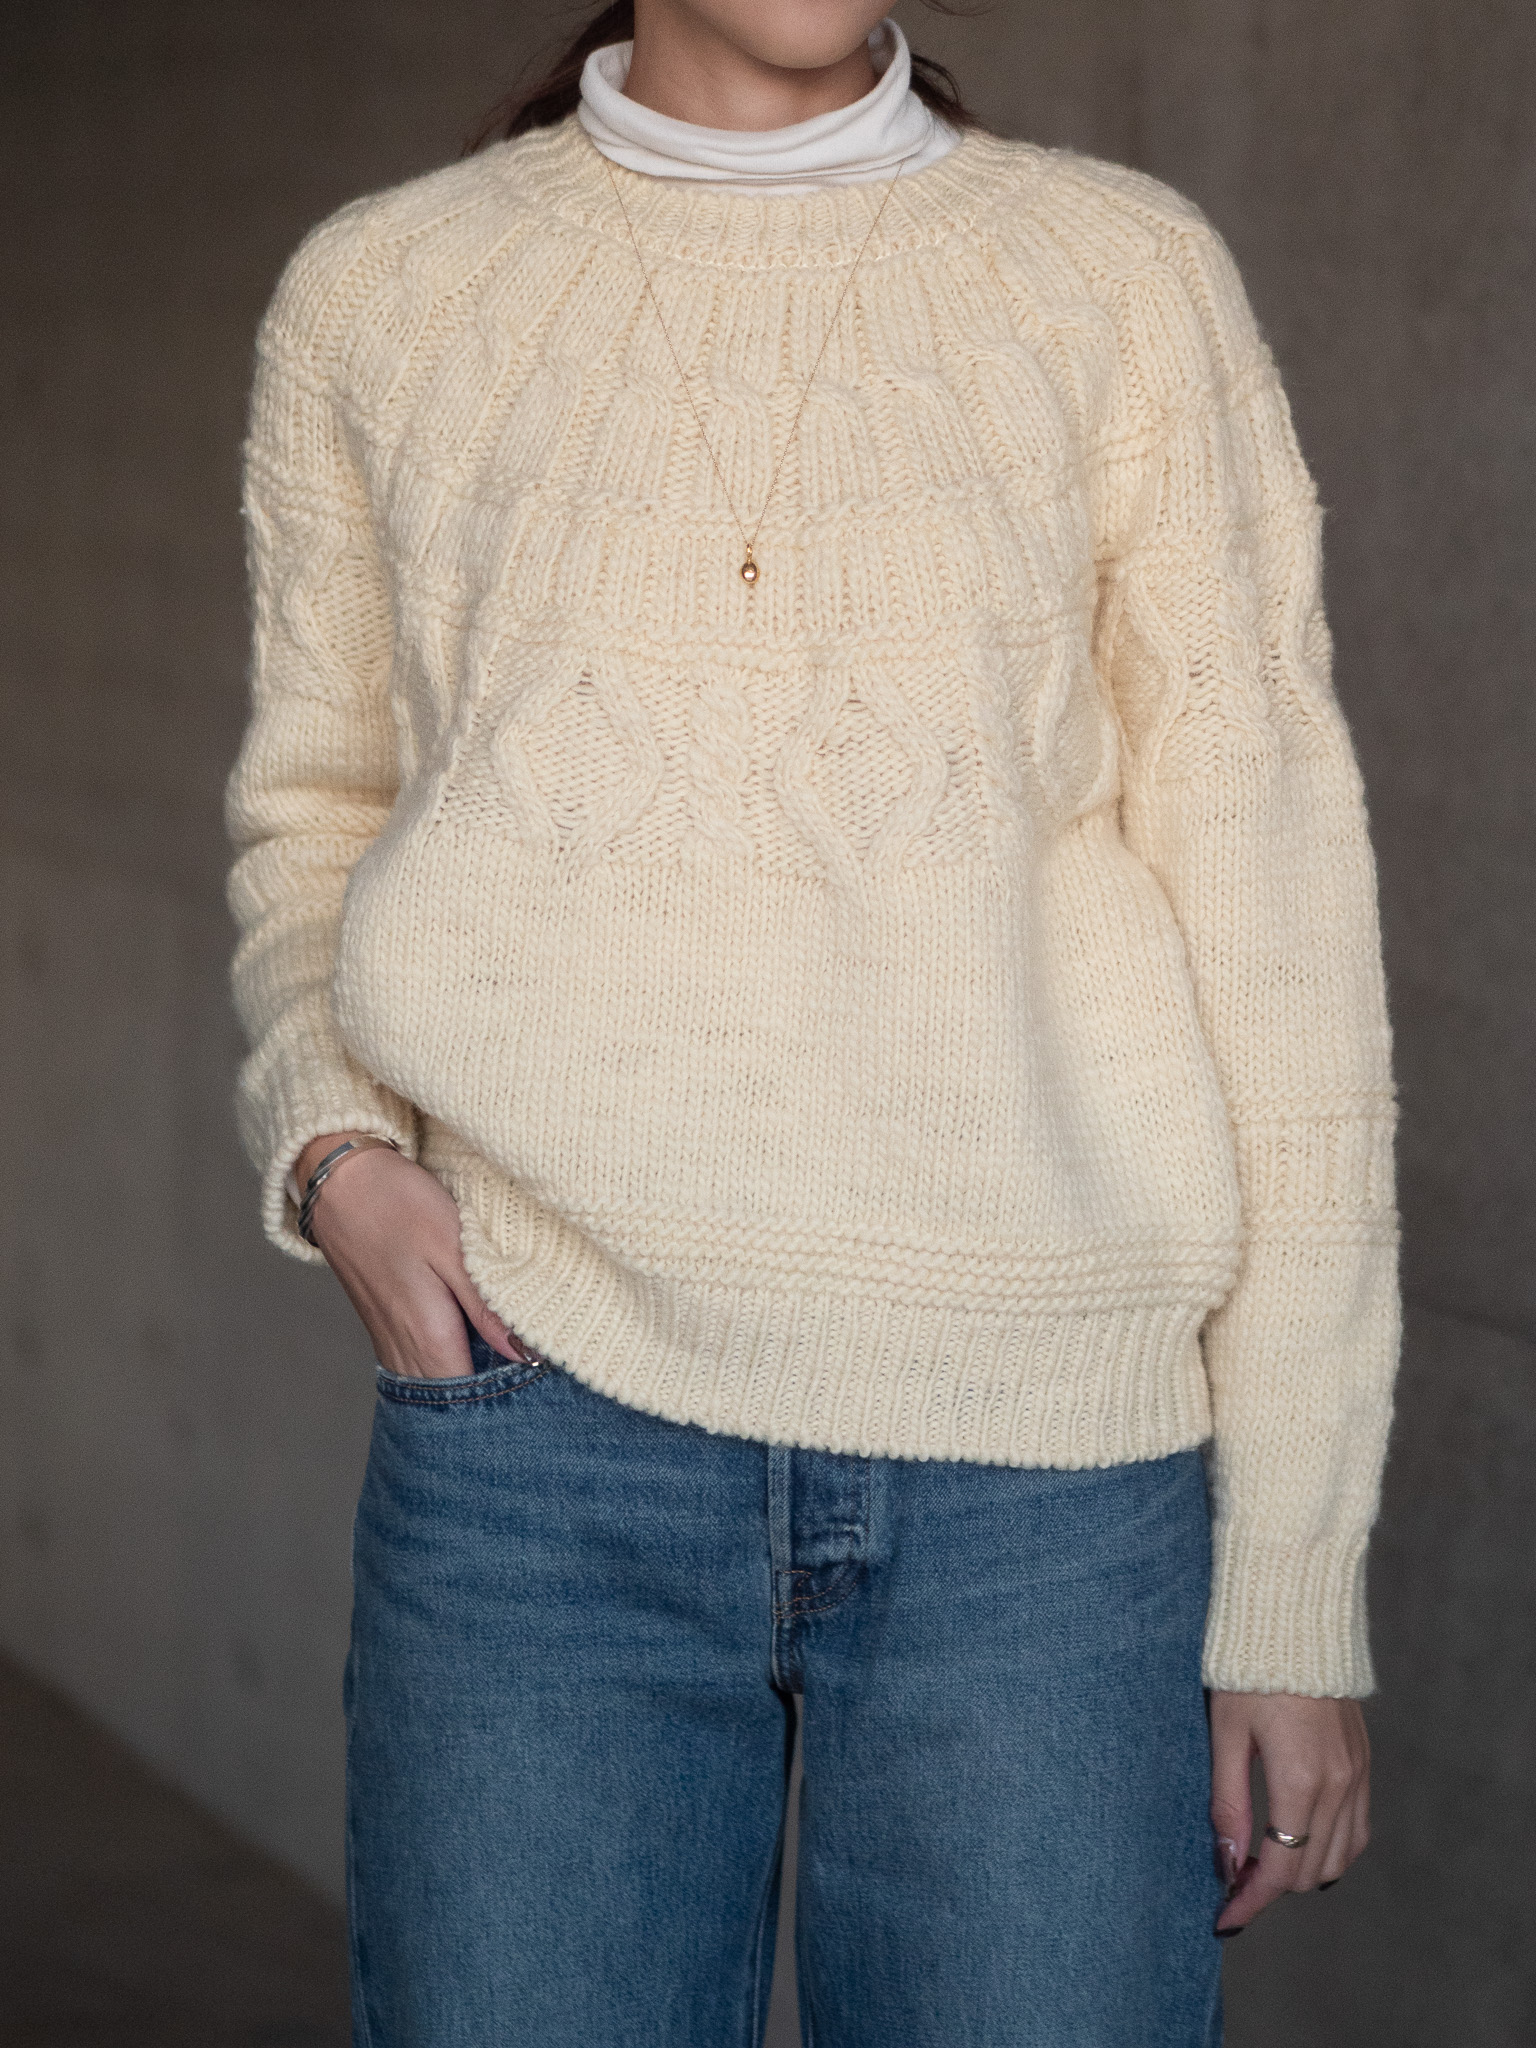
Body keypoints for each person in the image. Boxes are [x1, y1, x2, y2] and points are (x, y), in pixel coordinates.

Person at [224, 3, 1400, 2041]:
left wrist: (1292, 1584)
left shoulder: (1118, 280)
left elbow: (1283, 932)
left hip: (1047, 1485)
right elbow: (315, 809)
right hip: (538, 1437)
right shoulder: (386, 292)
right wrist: (330, 1143)